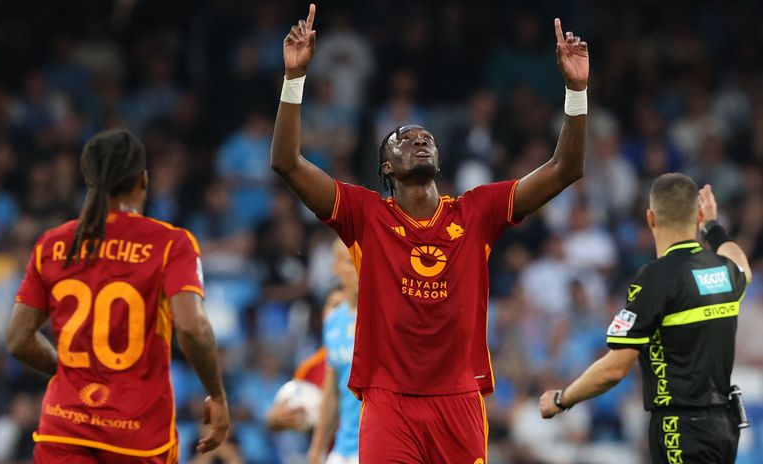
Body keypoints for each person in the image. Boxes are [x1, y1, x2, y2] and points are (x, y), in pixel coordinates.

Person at [271, 4, 589, 462]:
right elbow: (287, 163)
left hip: (459, 400)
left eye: (427, 138)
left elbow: (566, 168)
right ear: (386, 167)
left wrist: (576, 91)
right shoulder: (365, 215)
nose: (420, 140)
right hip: (388, 402)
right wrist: (294, 79)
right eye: (404, 138)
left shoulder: (478, 210)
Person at [6, 129, 230, 463]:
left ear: (89, 179)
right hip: (138, 437)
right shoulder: (171, 244)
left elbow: (19, 340)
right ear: (143, 179)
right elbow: (192, 327)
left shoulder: (53, 244)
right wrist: (216, 394)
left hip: (64, 428)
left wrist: (66, 370)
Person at [539, 176, 752, 464]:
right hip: (724, 429)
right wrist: (713, 226)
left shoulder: (655, 279)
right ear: (698, 215)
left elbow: (613, 370)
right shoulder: (723, 272)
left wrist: (561, 399)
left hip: (680, 428)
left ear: (651, 218)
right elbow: (742, 265)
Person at [308, 240, 361, 464]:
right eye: (351, 263)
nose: (360, 269)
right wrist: (317, 450)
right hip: (343, 448)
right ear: (336, 267)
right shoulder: (333, 320)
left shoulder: (385, 317)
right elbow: (331, 393)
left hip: (379, 443)